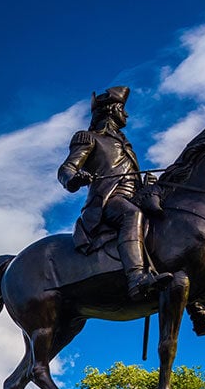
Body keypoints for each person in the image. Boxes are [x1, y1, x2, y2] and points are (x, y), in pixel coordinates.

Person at [58, 86, 171, 299]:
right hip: (107, 202)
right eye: (122, 108)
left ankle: (198, 305)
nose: (126, 113)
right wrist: (75, 178)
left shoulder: (126, 146)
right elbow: (66, 169)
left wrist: (146, 186)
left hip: (133, 198)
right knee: (132, 214)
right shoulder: (89, 137)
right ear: (110, 110)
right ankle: (136, 278)